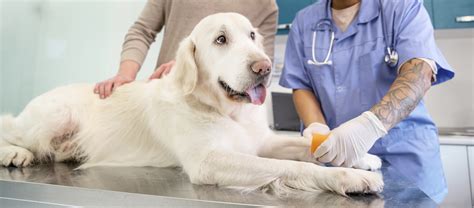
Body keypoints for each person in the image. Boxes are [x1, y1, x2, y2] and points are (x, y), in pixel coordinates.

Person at [279, 0, 454, 203]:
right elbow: (301, 85)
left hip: (405, 163)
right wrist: (317, 127)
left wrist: (370, 126)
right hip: (338, 165)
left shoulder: (403, 7)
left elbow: (420, 72)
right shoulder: (304, 21)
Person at [95, 0, 278, 98]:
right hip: (171, 94)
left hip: (229, 110)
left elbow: (262, 61)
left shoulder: (266, 5)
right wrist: (125, 75)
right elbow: (142, 31)